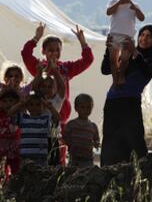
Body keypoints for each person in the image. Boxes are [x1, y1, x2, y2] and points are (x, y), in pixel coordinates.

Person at [21, 23, 94, 165]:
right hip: (40, 119)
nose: (54, 53)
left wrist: (83, 42)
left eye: (57, 50)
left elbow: (88, 60)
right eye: (50, 50)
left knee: (58, 155)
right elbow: (25, 54)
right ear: (43, 51)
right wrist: (36, 37)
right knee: (41, 153)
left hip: (59, 119)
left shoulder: (66, 68)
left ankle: (57, 181)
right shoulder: (39, 67)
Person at [101, 24, 152, 166]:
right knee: (111, 139)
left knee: (134, 140)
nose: (144, 38)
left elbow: (146, 71)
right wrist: (108, 49)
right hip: (113, 101)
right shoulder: (125, 55)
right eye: (142, 35)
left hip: (131, 102)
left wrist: (134, 52)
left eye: (149, 36)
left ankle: (138, 176)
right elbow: (105, 69)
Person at [106, 0, 145, 86]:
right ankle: (115, 79)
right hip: (114, 35)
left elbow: (142, 18)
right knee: (113, 60)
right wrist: (119, 2)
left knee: (125, 59)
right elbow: (108, 12)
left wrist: (136, 9)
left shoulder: (134, 5)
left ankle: (121, 74)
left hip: (127, 37)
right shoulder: (114, 2)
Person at [11, 92, 60, 166]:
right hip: (25, 156)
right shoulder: (23, 118)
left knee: (41, 176)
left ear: (43, 107)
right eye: (31, 105)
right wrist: (21, 103)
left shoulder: (45, 119)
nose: (34, 107)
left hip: (41, 157)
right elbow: (10, 113)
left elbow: (57, 118)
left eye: (38, 105)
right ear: (27, 106)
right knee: (25, 177)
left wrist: (50, 107)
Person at [32, 61, 65, 165]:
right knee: (39, 163)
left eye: (50, 86)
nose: (46, 89)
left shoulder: (56, 100)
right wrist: (39, 72)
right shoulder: (39, 99)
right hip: (39, 135)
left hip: (53, 135)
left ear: (54, 88)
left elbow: (62, 87)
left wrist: (55, 71)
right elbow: (34, 87)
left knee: (53, 162)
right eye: (43, 86)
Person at [0, 87, 22, 184]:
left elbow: (23, 100)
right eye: (4, 101)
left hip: (14, 145)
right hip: (0, 145)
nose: (8, 103)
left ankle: (15, 186)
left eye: (11, 101)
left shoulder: (18, 112)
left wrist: (15, 90)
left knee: (15, 167)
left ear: (16, 102)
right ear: (0, 103)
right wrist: (2, 90)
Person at [63, 93, 100, 168]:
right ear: (76, 108)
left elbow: (96, 139)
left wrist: (96, 144)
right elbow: (65, 136)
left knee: (86, 176)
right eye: (82, 107)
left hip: (88, 159)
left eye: (88, 107)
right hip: (74, 159)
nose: (85, 110)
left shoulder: (93, 126)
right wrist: (70, 145)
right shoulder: (71, 124)